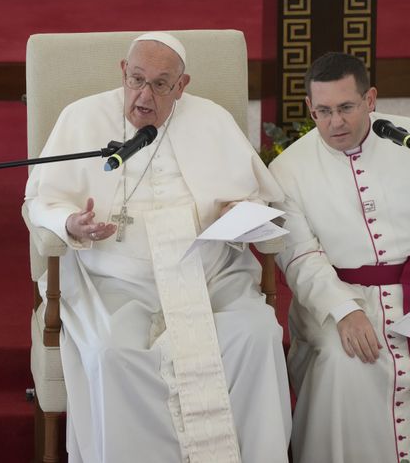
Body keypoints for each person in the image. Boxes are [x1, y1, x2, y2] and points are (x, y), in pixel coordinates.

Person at [24, 32, 291, 463]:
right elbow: (40, 201)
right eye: (136, 80)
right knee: (112, 354)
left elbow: (256, 198)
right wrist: (70, 223)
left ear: (182, 86)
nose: (144, 96)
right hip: (114, 283)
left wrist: (238, 210)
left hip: (208, 281)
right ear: (122, 73)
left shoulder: (212, 121)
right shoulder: (81, 119)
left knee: (257, 334)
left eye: (161, 84)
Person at [269, 52, 410, 462]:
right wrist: (343, 310)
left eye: (346, 107)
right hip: (343, 294)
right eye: (323, 111)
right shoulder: (287, 170)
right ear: (310, 108)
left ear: (370, 99)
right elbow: (300, 257)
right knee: (342, 360)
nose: (335, 123)